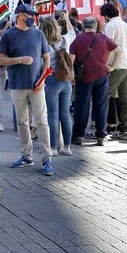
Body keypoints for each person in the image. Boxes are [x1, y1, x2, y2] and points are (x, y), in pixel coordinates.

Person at [0, 3, 54, 175]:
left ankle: (47, 158)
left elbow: (46, 58)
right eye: (30, 15)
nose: (33, 18)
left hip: (37, 85)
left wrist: (43, 78)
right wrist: (19, 60)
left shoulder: (38, 33)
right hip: (17, 84)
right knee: (22, 122)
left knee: (42, 121)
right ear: (20, 15)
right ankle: (26, 155)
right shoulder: (9, 35)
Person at [70, 16, 115, 146]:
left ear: (83, 26)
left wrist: (72, 74)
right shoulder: (103, 38)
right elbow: (118, 51)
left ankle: (78, 135)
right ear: (95, 26)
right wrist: (111, 66)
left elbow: (71, 58)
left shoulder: (78, 39)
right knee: (100, 106)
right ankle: (101, 135)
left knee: (82, 106)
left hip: (84, 77)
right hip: (101, 75)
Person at [101, 1, 127, 141]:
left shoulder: (110, 26)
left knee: (103, 97)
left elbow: (109, 48)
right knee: (124, 99)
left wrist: (108, 65)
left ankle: (101, 129)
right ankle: (124, 129)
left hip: (116, 67)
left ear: (106, 16)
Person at [39, 16, 73, 156]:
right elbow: (72, 31)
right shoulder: (65, 40)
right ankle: (67, 147)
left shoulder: (43, 44)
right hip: (66, 80)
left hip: (51, 79)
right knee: (65, 115)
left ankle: (53, 148)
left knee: (52, 116)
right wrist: (66, 18)